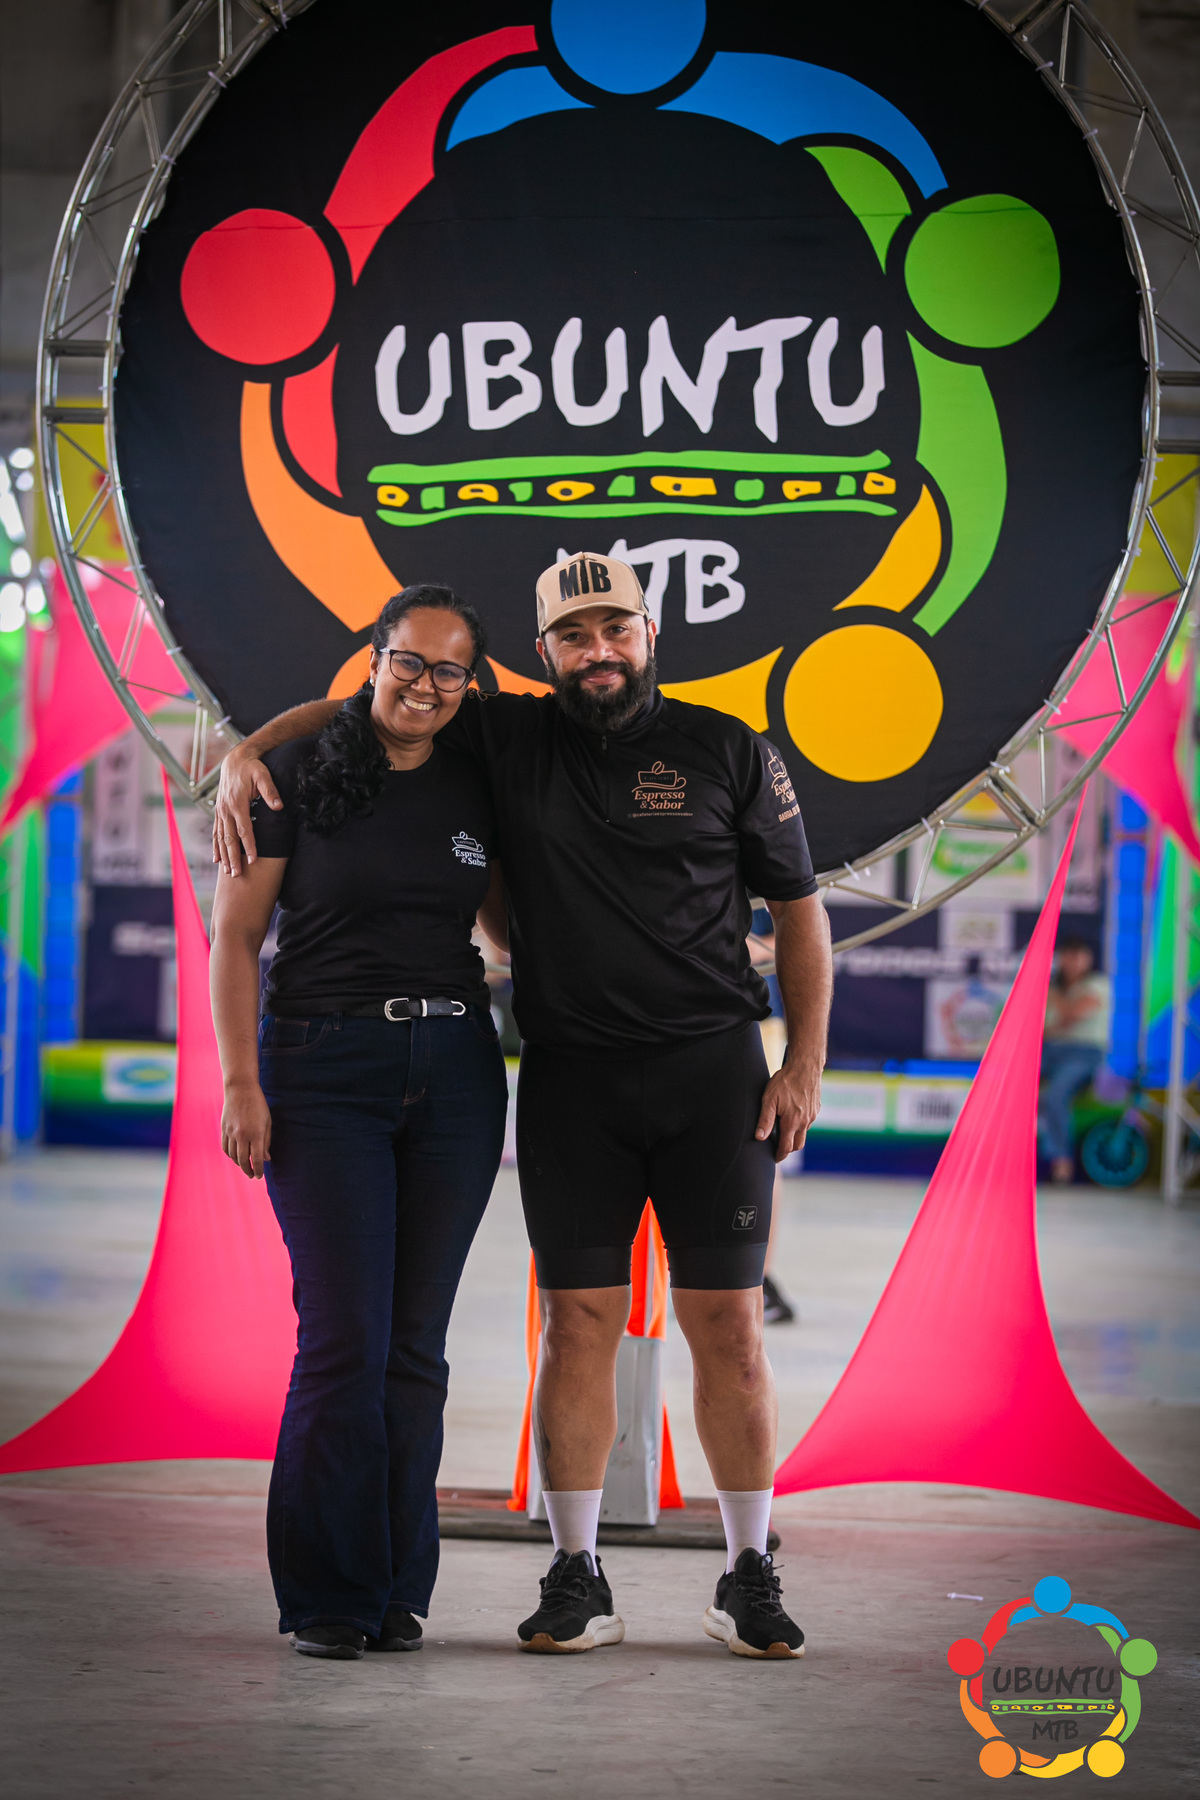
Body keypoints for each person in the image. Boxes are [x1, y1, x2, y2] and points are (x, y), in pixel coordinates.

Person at [214, 551, 833, 1662]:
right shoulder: (500, 736)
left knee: (712, 1331)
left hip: (671, 1072)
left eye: (617, 628)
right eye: (574, 636)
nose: (599, 651)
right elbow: (361, 710)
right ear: (543, 656)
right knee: (521, 1329)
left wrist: (804, 1066)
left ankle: (737, 1572)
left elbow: (799, 912)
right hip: (535, 1075)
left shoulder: (719, 748)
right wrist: (245, 751)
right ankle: (524, 1577)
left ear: (650, 633)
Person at [209, 585, 509, 1662]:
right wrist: (242, 1083)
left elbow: (510, 930)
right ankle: (329, 1593)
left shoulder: (480, 778)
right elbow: (235, 939)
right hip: (322, 1069)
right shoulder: (294, 776)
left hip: (458, 1076)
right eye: (406, 661)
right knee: (344, 1340)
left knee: (415, 1350)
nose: (423, 685)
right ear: (374, 661)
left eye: (447, 669)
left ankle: (396, 1588)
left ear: (469, 683)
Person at [1038, 934, 1111, 1185]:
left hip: (1084, 1053)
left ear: (1088, 959)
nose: (1074, 961)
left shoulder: (1097, 985)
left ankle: (1062, 1164)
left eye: (1079, 955)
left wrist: (1049, 991)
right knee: (1009, 1084)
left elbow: (1072, 1014)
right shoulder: (1056, 988)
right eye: (1069, 955)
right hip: (1050, 1050)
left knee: (1055, 1095)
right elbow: (1047, 1028)